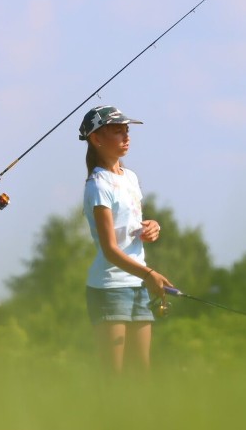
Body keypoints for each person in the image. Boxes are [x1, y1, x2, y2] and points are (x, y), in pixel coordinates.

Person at [78, 105, 174, 374]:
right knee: (114, 376)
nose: (126, 136)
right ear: (96, 139)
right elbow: (109, 249)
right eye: (117, 131)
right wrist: (150, 274)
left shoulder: (130, 177)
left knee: (141, 372)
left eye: (126, 130)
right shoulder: (98, 184)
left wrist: (152, 227)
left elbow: (131, 225)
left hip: (138, 283)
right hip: (109, 288)